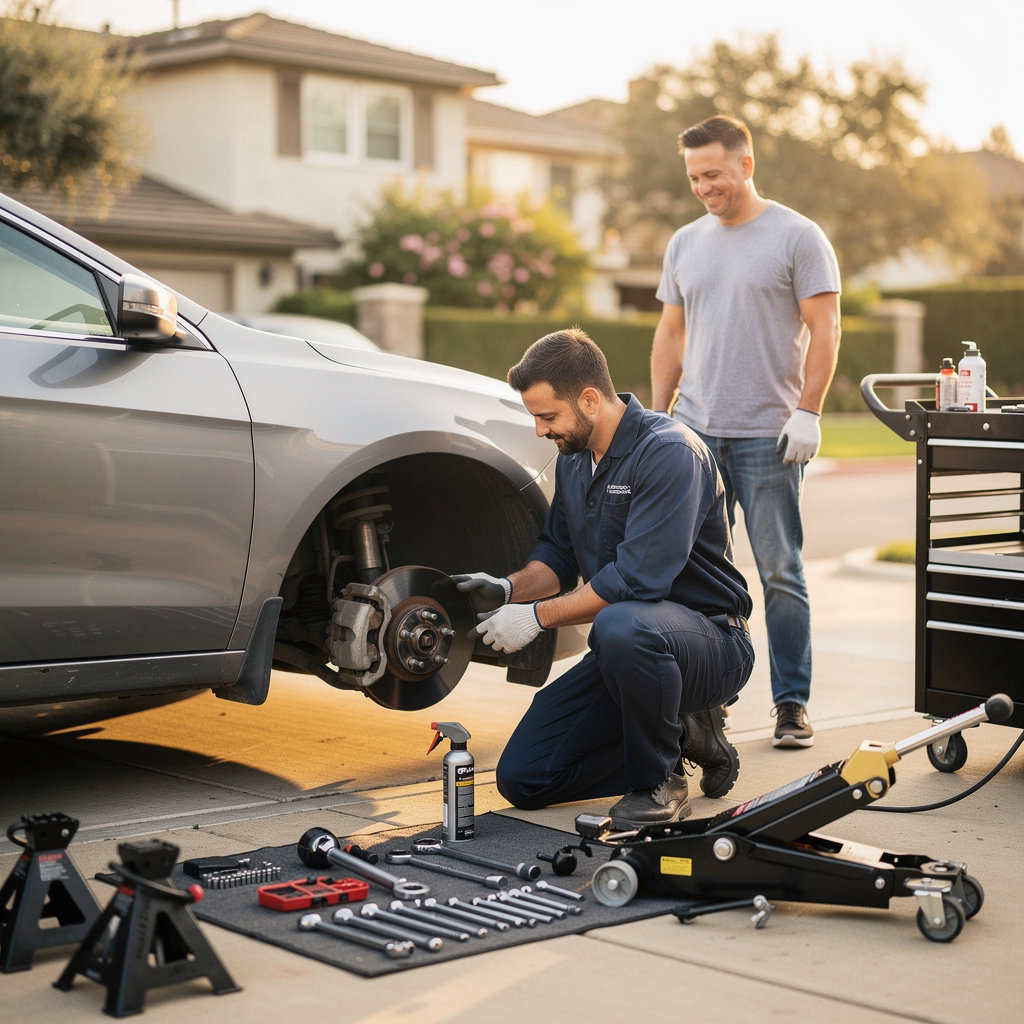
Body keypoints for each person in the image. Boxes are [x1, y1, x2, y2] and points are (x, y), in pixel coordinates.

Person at [453, 327, 754, 828]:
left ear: (589, 399)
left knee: (620, 624)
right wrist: (508, 588)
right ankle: (676, 734)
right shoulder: (575, 460)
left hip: (712, 643)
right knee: (526, 779)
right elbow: (558, 554)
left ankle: (658, 781)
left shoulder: (669, 452)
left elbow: (639, 581)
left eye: (547, 416)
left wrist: (535, 617)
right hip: (634, 652)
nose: (539, 430)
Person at [651, 115, 841, 749]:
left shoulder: (797, 237)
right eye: (694, 177)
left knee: (780, 570)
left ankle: (791, 705)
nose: (704, 186)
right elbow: (671, 334)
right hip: (696, 433)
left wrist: (809, 409)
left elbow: (826, 328)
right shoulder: (685, 242)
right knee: (694, 574)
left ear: (746, 165)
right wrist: (657, 418)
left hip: (769, 435)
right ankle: (710, 704)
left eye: (713, 174)